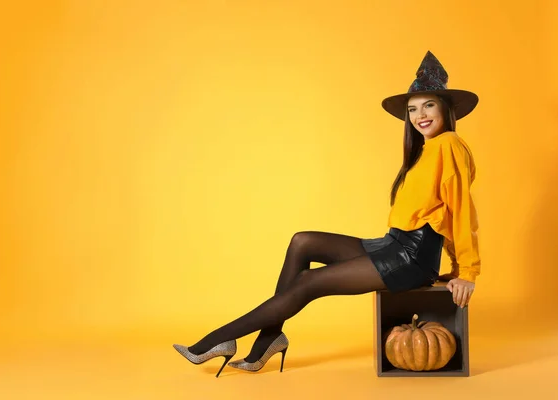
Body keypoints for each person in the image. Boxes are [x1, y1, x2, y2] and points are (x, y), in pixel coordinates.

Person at [173, 51, 481, 378]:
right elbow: (441, 210)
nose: (420, 115)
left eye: (428, 105)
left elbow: (460, 209)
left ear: (445, 108)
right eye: (412, 109)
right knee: (303, 242)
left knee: (309, 282)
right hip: (393, 245)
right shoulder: (425, 151)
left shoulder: (449, 145)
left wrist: (467, 270)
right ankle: (270, 338)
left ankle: (219, 339)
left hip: (410, 259)